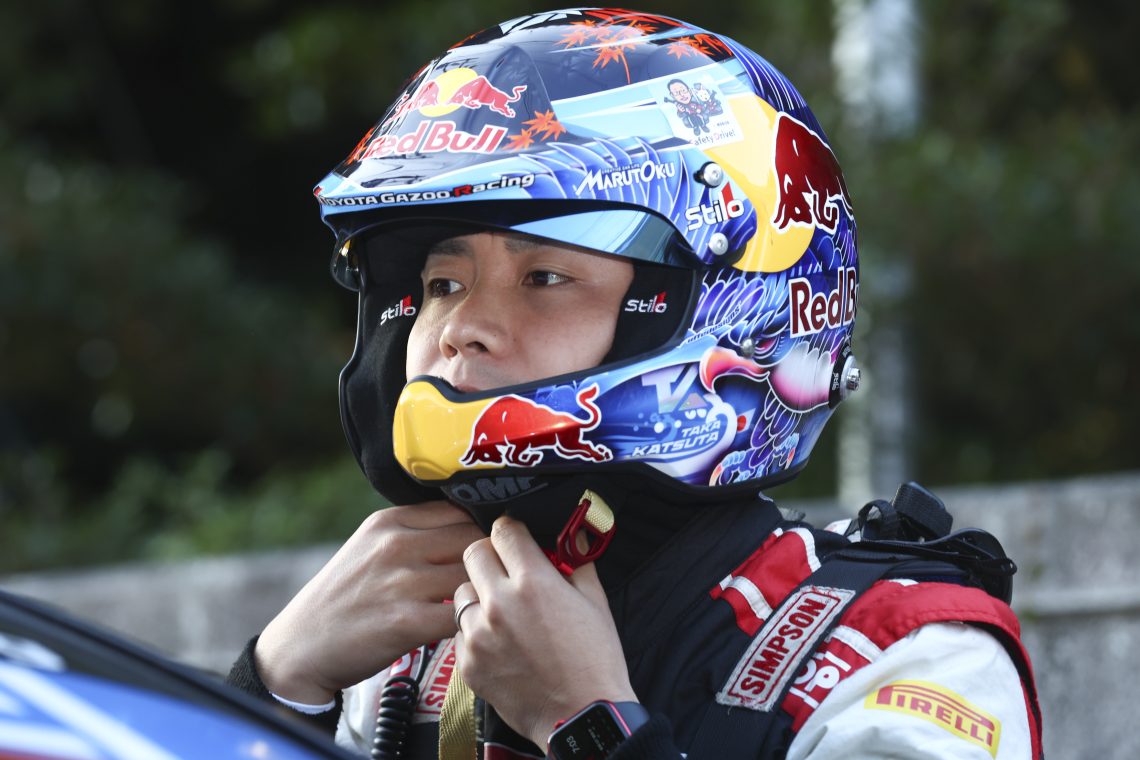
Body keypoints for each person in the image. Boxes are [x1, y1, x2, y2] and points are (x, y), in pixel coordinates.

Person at [227, 9, 1043, 759]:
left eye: (544, 278)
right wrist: (274, 686)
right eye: (442, 284)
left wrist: (588, 725)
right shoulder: (400, 654)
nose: (460, 328)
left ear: (720, 305)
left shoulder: (903, 652)